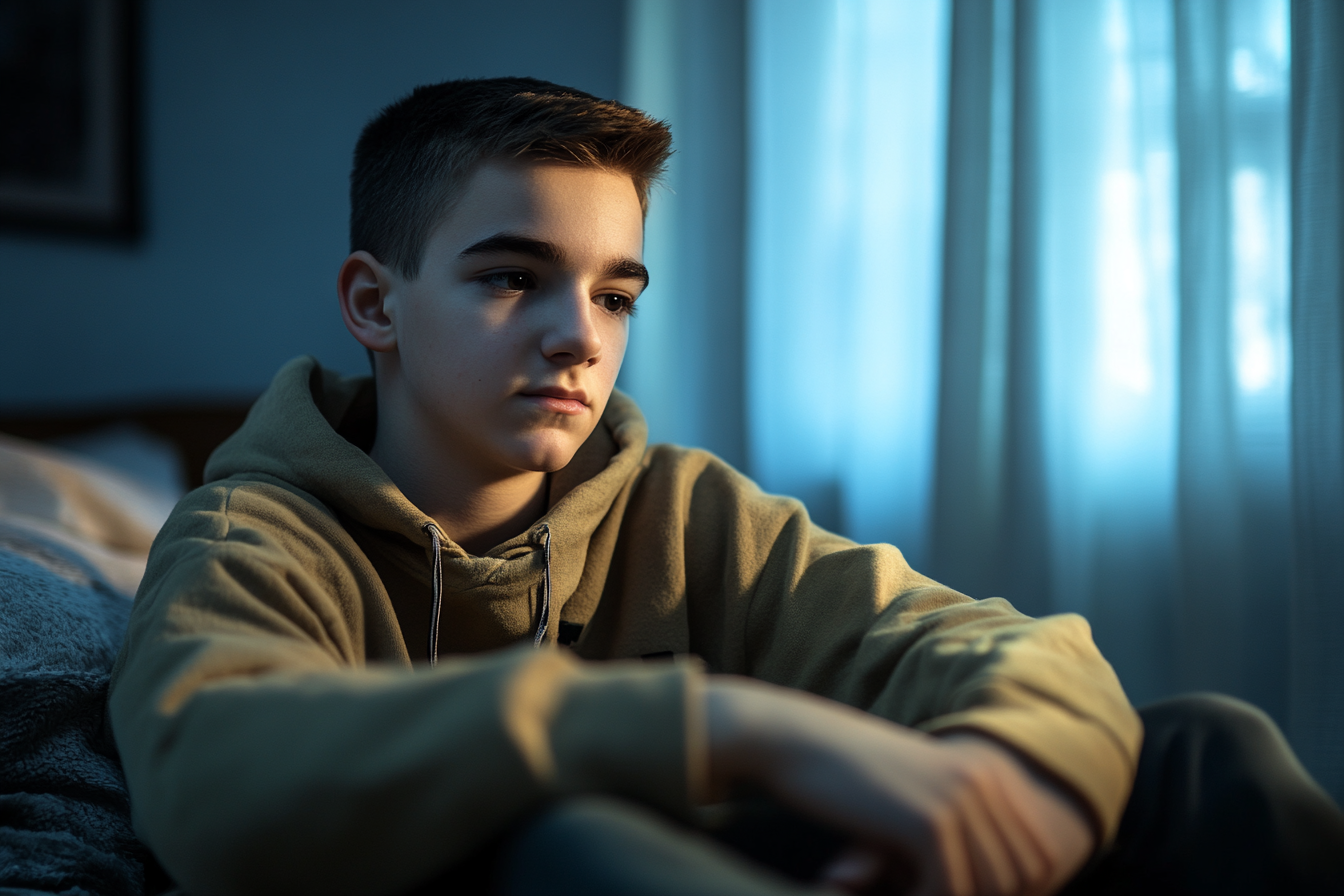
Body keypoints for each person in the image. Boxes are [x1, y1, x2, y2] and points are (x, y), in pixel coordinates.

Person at [107, 77, 1341, 896]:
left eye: (614, 292)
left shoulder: (683, 509)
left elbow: (996, 646)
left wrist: (1028, 782)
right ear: (376, 303)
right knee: (567, 840)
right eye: (509, 278)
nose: (578, 336)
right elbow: (208, 778)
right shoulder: (252, 532)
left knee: (1203, 748)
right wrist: (731, 724)